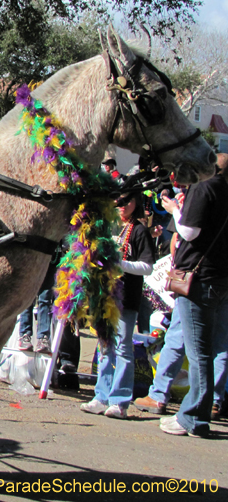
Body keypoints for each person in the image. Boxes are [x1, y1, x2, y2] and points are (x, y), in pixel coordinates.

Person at [152, 154, 228, 436]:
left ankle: (193, 417)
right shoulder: (223, 188)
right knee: (215, 349)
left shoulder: (204, 187)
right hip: (220, 278)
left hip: (199, 279)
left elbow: (188, 231)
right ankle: (202, 410)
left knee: (199, 353)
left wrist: (174, 209)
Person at [80, 191, 154, 419]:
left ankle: (120, 401)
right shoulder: (107, 226)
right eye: (119, 200)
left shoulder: (139, 230)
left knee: (122, 347)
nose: (122, 205)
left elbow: (148, 267)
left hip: (126, 297)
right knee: (104, 346)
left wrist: (121, 264)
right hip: (104, 294)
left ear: (136, 203)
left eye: (128, 201)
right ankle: (101, 397)